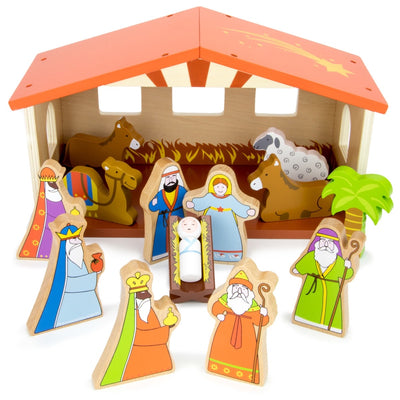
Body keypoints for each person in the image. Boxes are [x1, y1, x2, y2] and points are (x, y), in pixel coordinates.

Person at [99, 271, 178, 386]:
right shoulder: (132, 317)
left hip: (156, 358)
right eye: (142, 299)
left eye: (147, 298)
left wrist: (169, 323)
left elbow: (157, 325)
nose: (146, 301)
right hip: (140, 358)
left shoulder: (149, 310)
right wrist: (167, 328)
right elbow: (139, 337)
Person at [34, 223, 103, 334]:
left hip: (86, 304)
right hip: (68, 307)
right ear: (66, 243)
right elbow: (70, 284)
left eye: (77, 238)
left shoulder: (79, 258)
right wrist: (94, 275)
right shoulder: (64, 264)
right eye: (73, 239)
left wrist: (95, 271)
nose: (78, 242)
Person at [207, 270, 269, 384]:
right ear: (230, 289)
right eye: (236, 287)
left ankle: (247, 373)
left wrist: (263, 314)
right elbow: (215, 307)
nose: (239, 291)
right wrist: (219, 314)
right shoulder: (225, 300)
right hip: (225, 329)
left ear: (249, 292)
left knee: (246, 353)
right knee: (222, 349)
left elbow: (261, 322)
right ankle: (219, 366)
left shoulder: (253, 306)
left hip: (247, 333)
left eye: (243, 288)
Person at [291, 227, 353, 334]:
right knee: (308, 309)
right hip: (311, 291)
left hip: (331, 293)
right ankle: (304, 319)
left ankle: (331, 326)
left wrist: (348, 266)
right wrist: (297, 269)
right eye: (323, 241)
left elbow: (348, 275)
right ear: (317, 242)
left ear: (335, 245)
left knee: (330, 310)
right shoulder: (312, 256)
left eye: (329, 242)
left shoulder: (339, 261)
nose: (325, 245)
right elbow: (297, 268)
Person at [186, 175, 256, 262]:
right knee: (211, 235)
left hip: (228, 221)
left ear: (227, 187)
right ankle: (211, 253)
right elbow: (201, 202)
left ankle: (231, 254)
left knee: (229, 236)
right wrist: (193, 204)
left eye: (223, 187)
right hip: (211, 219)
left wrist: (247, 211)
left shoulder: (230, 198)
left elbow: (239, 206)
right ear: (213, 187)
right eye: (217, 187)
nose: (220, 189)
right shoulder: (210, 196)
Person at [19, 166, 66, 259]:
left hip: (59, 221)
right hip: (50, 223)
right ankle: (45, 252)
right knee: (48, 236)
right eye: (51, 182)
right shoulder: (47, 196)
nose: (55, 185)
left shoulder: (57, 195)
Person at [149, 165, 187, 260]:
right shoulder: (160, 194)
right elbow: (151, 207)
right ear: (163, 180)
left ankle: (181, 250)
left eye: (173, 176)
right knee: (162, 237)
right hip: (163, 221)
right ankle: (161, 253)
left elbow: (187, 199)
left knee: (178, 234)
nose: (171, 179)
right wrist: (153, 203)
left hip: (178, 216)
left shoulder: (181, 190)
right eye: (168, 177)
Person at [177, 216, 202, 282]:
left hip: (197, 273)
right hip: (184, 273)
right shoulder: (182, 242)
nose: (189, 227)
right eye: (185, 224)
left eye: (193, 224)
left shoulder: (197, 242)